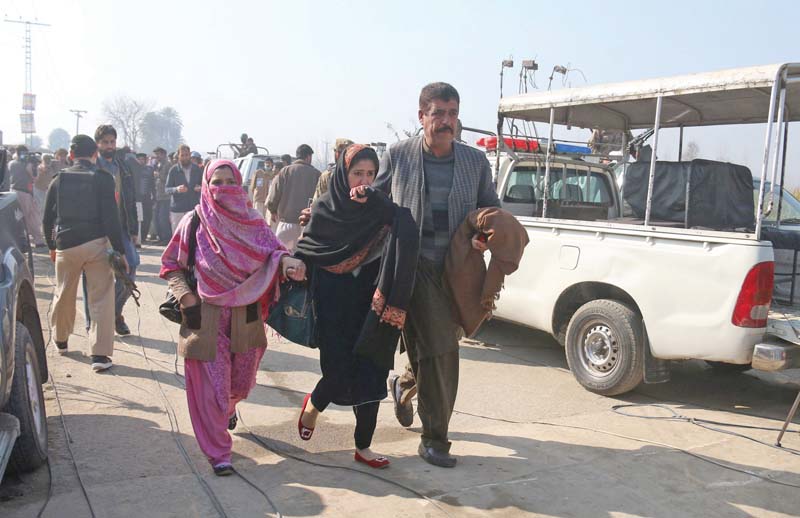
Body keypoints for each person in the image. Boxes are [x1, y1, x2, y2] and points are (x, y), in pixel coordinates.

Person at [375, 82, 500, 468]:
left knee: (432, 346)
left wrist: (484, 235)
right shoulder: (398, 156)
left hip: (456, 270)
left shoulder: (474, 162)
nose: (446, 122)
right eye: (438, 114)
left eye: (452, 114)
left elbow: (490, 209)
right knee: (442, 351)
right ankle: (435, 439)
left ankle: (404, 384)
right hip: (408, 267)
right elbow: (375, 206)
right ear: (422, 116)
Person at [160, 159, 305, 476]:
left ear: (240, 185)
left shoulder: (254, 222)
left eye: (230, 181)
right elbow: (171, 264)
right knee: (212, 386)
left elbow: (276, 252)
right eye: (217, 181)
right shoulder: (195, 221)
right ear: (206, 186)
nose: (223, 188)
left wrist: (288, 264)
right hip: (205, 315)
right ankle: (218, 452)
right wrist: (185, 296)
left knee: (240, 383)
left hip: (247, 314)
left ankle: (227, 410)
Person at [295, 144, 418, 469]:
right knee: (336, 374)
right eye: (357, 173)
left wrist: (380, 202)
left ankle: (363, 446)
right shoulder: (323, 209)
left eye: (370, 174)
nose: (364, 181)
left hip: (372, 305)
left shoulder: (381, 209)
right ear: (342, 175)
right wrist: (293, 264)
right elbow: (308, 249)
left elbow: (408, 226)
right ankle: (314, 405)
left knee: (371, 373)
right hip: (333, 307)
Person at [42, 135, 128, 371]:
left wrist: (51, 245)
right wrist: (119, 251)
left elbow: (47, 218)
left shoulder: (58, 179)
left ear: (70, 156)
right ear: (94, 155)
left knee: (63, 293)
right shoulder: (103, 179)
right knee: (101, 297)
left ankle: (61, 341)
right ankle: (99, 356)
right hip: (96, 245)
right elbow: (112, 218)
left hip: (66, 245)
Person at [88, 125, 140, 336]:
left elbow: (131, 198)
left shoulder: (123, 167)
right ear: (98, 144)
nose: (109, 146)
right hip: (97, 230)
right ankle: (97, 323)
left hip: (122, 229)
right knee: (98, 277)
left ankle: (115, 313)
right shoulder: (92, 168)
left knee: (130, 271)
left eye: (112, 142)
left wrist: (135, 229)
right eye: (105, 142)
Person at [266, 144, 320, 251]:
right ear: (308, 157)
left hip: (286, 223)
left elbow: (274, 194)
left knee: (282, 257)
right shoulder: (317, 174)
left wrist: (272, 210)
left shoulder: (285, 172)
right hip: (307, 226)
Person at [9, 146, 46, 247]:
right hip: (24, 192)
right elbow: (34, 178)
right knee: (28, 217)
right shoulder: (25, 164)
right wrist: (36, 168)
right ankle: (32, 240)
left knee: (27, 216)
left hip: (17, 191)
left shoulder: (11, 163)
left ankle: (36, 239)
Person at [165, 144, 203, 230]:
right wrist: (176, 189)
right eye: (182, 155)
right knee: (177, 237)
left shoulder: (197, 169)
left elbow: (203, 185)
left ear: (190, 155)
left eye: (187, 155)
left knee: (192, 237)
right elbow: (167, 189)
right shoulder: (173, 170)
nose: (185, 157)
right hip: (177, 210)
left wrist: (200, 188)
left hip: (193, 209)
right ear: (178, 156)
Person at [152, 147, 173, 244]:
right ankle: (160, 238)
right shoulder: (158, 164)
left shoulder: (168, 165)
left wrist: (158, 175)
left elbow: (169, 180)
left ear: (163, 154)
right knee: (156, 218)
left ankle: (166, 238)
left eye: (158, 154)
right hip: (158, 196)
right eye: (156, 154)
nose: (157, 156)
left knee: (163, 218)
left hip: (166, 197)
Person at [135, 153, 156, 246]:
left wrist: (154, 196)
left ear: (146, 160)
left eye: (142, 159)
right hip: (137, 198)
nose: (141, 161)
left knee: (148, 217)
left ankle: (143, 237)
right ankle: (139, 237)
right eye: (139, 159)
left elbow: (152, 184)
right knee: (139, 218)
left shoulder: (149, 169)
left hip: (147, 197)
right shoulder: (134, 169)